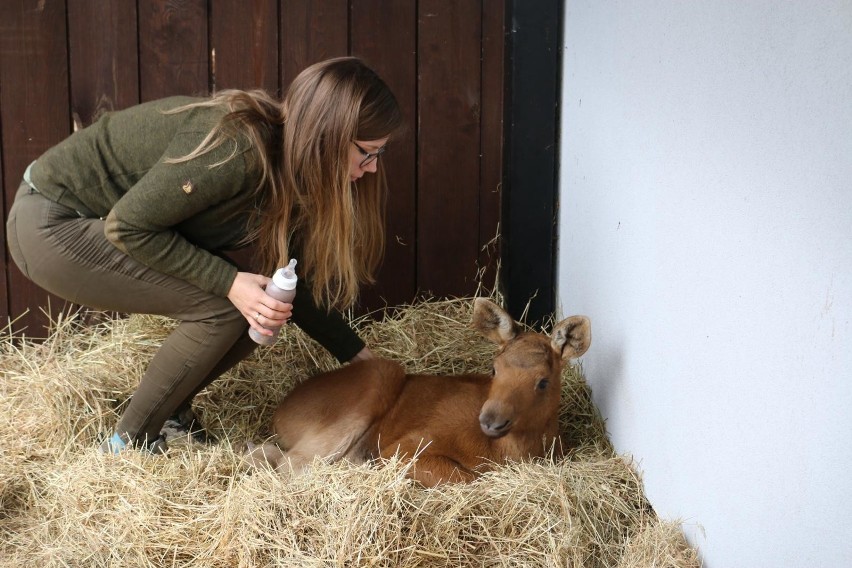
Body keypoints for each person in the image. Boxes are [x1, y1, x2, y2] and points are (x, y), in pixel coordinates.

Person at [5, 57, 403, 454]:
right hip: (51, 222)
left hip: (96, 223)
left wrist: (361, 359)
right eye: (367, 153)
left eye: (379, 155)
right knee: (227, 307)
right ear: (328, 136)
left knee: (263, 307)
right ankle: (126, 447)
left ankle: (171, 411)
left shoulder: (297, 171)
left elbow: (293, 284)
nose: (370, 169)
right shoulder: (239, 148)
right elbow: (126, 226)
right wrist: (229, 283)